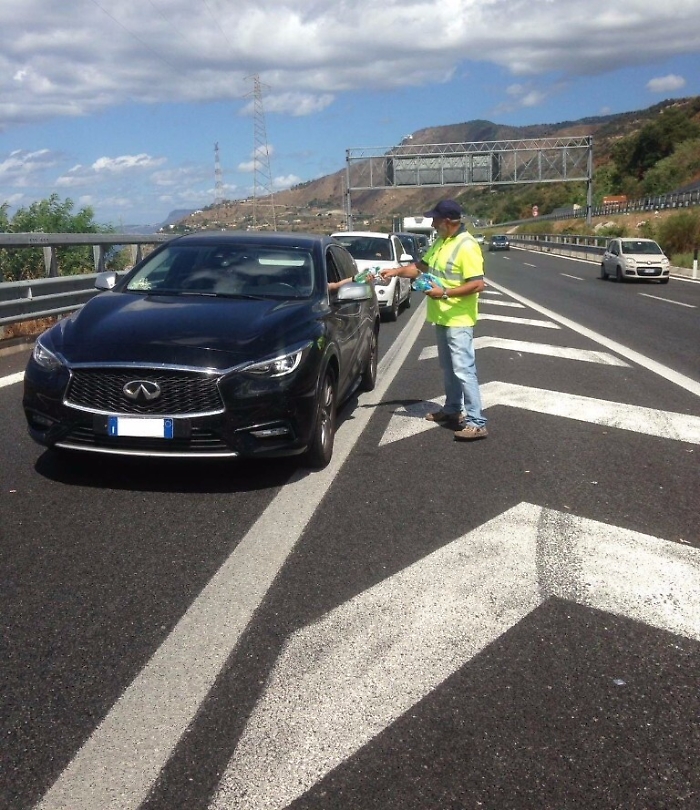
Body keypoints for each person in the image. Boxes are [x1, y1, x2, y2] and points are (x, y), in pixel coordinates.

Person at [380, 199, 488, 441]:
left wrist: (446, 293)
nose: (432, 222)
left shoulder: (467, 245)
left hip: (458, 317)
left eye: (435, 219)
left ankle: (476, 422)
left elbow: (478, 283)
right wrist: (395, 272)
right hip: (442, 315)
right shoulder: (441, 241)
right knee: (449, 369)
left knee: (464, 370)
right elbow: (421, 268)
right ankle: (452, 410)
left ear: (447, 221)